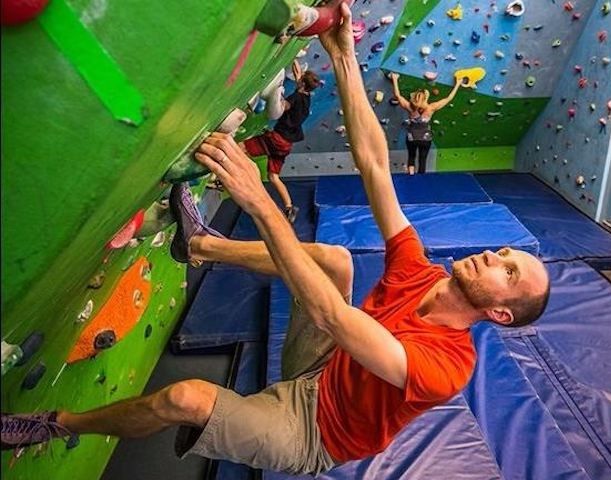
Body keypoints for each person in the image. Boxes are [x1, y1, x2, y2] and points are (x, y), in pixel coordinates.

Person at [1, 5, 550, 475]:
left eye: (508, 270)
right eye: (505, 252)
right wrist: (343, 55)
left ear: (501, 314)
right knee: (334, 259)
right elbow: (377, 168)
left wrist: (260, 201)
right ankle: (198, 246)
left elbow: (333, 317)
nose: (494, 256)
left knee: (184, 397)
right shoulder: (423, 273)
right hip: (330, 362)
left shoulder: (448, 367)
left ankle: (55, 424)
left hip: (314, 431)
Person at [241, 59, 320, 224]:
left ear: (303, 85)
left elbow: (280, 108)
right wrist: (295, 60)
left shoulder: (296, 97)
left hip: (277, 139)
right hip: (286, 145)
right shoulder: (306, 99)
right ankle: (289, 206)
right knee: (273, 176)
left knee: (242, 148)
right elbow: (299, 75)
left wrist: (278, 94)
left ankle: (225, 175)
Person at [390, 72, 463, 174]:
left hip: (412, 138)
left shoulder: (410, 108)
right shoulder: (431, 108)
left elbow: (397, 95)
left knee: (411, 157)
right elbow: (448, 98)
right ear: (426, 98)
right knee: (422, 159)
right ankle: (421, 179)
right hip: (425, 138)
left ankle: (411, 175)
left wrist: (394, 79)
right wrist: (457, 84)